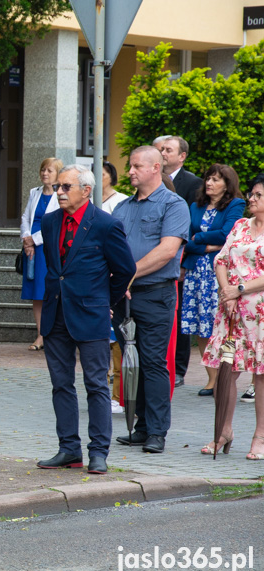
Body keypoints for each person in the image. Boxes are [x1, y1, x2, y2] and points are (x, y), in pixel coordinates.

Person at [35, 165, 135, 474]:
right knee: (61, 384)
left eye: (66, 187)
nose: (60, 191)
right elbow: (56, 269)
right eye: (59, 187)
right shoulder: (50, 222)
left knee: (96, 384)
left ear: (86, 191)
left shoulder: (105, 224)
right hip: (56, 314)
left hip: (90, 315)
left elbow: (125, 269)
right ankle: (68, 450)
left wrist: (105, 301)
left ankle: (98, 452)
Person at [111, 146, 190, 454]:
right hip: (124, 297)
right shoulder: (122, 208)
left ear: (155, 168)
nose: (130, 171)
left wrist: (128, 274)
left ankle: (157, 431)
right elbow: (111, 249)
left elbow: (168, 250)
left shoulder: (174, 205)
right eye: (130, 166)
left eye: (136, 166)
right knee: (133, 362)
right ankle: (141, 427)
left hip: (156, 294)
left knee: (155, 362)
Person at [201, 174, 264, 459]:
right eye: (252, 194)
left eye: (258, 195)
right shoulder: (240, 225)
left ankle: (260, 437)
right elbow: (221, 259)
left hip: (259, 314)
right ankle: (223, 431)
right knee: (227, 372)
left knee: (260, 375)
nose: (251, 198)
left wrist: (238, 289)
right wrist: (226, 290)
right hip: (232, 312)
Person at [181, 164, 245, 397]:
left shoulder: (235, 205)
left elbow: (229, 234)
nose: (209, 183)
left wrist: (199, 238)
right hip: (194, 273)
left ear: (227, 185)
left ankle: (224, 375)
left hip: (218, 273)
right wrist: (207, 245)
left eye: (216, 180)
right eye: (208, 178)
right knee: (198, 321)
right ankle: (211, 378)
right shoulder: (194, 206)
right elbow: (184, 239)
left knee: (217, 322)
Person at [161, 135, 202, 387]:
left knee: (179, 315)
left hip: (182, 260)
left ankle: (178, 368)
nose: (163, 153)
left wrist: (183, 262)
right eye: (161, 149)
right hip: (158, 258)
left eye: (168, 149)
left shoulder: (194, 183)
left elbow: (192, 226)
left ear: (182, 156)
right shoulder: (154, 182)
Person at [19, 158, 62, 351]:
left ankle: (54, 334)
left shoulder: (61, 195)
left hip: (48, 247)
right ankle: (40, 335)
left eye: (50, 170)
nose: (45, 173)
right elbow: (26, 217)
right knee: (36, 294)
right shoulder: (34, 192)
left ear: (58, 174)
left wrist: (33, 240)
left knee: (49, 292)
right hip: (31, 249)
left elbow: (55, 223)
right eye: (43, 170)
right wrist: (25, 238)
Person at [100, 161, 126, 414]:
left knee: (118, 343)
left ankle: (119, 396)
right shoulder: (84, 201)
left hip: (115, 278)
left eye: (104, 172)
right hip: (96, 279)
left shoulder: (122, 203)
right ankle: (100, 394)